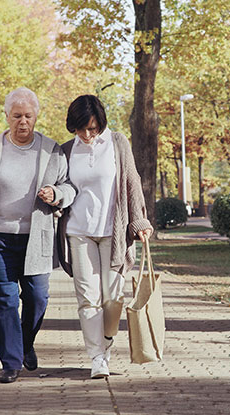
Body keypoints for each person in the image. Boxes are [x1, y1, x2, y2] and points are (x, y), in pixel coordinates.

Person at [0, 87, 76, 383]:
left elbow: (69, 187)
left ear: (36, 116)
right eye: (16, 116)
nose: (22, 122)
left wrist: (56, 193)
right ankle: (11, 362)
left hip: (35, 238)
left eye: (28, 116)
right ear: (7, 116)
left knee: (38, 297)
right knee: (5, 299)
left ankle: (25, 344)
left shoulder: (51, 150)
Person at [56, 94, 153, 378]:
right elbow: (61, 186)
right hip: (78, 233)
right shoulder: (65, 151)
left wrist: (139, 221)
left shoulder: (118, 143)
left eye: (93, 128)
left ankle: (106, 342)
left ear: (101, 123)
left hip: (113, 232)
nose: (88, 134)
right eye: (82, 128)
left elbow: (132, 182)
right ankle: (97, 356)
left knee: (113, 298)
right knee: (87, 299)